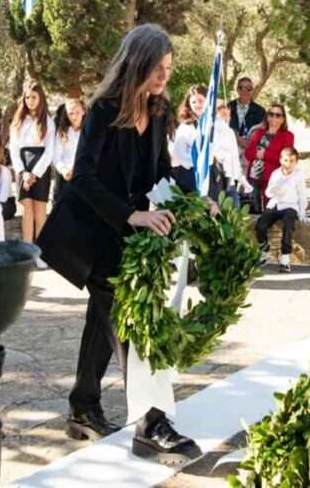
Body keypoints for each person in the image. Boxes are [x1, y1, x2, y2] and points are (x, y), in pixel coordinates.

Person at [37, 23, 200, 463]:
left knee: (103, 316)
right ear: (137, 63)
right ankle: (150, 421)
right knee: (129, 319)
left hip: (124, 236)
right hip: (90, 233)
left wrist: (194, 201)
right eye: (157, 67)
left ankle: (83, 407)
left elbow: (160, 172)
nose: (164, 76)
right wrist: (132, 215)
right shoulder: (103, 109)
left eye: (169, 68)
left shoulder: (160, 110)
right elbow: (83, 177)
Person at [8, 82, 55, 248]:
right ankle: (28, 249)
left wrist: (35, 173)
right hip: (23, 166)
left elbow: (49, 150)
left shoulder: (48, 121)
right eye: (27, 97)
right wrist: (23, 172)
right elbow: (14, 148)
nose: (30, 101)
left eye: (34, 97)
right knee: (26, 209)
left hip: (40, 167)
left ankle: (40, 251)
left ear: (40, 98)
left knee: (40, 210)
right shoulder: (18, 120)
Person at [255, 146, 309, 273]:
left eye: (291, 161)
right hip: (276, 204)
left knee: (288, 225)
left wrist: (302, 212)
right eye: (286, 160)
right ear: (280, 160)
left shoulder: (298, 174)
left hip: (290, 206)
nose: (288, 164)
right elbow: (268, 193)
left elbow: (302, 194)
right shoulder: (276, 174)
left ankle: (285, 258)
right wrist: (275, 188)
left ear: (296, 162)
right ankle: (264, 251)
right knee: (261, 224)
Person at [244, 103, 295, 210]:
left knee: (270, 212)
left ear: (283, 119)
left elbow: (286, 159)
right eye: (271, 114)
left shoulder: (287, 136)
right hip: (254, 179)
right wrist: (257, 154)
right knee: (253, 213)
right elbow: (247, 154)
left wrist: (265, 155)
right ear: (267, 117)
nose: (274, 117)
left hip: (273, 180)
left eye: (278, 115)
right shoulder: (258, 133)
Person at [169, 85, 209, 194]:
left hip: (211, 175)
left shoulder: (215, 123)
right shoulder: (186, 127)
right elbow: (178, 153)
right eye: (193, 102)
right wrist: (198, 162)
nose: (197, 105)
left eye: (200, 101)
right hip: (190, 175)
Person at [213, 100, 249, 206]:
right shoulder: (212, 130)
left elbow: (234, 158)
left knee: (234, 207)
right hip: (217, 177)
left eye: (227, 114)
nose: (226, 117)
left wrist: (241, 177)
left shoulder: (230, 132)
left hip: (230, 179)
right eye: (222, 114)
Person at [52, 97, 85, 202]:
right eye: (71, 113)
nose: (74, 116)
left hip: (84, 175)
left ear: (83, 112)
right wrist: (64, 170)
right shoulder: (62, 132)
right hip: (65, 176)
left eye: (77, 112)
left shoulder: (88, 132)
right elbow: (56, 156)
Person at [227, 76, 266, 151]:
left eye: (249, 88)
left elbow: (263, 133)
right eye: (241, 88)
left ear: (252, 90)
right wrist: (237, 139)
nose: (245, 91)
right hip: (229, 149)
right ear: (237, 89)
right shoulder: (228, 107)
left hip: (250, 150)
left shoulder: (260, 111)